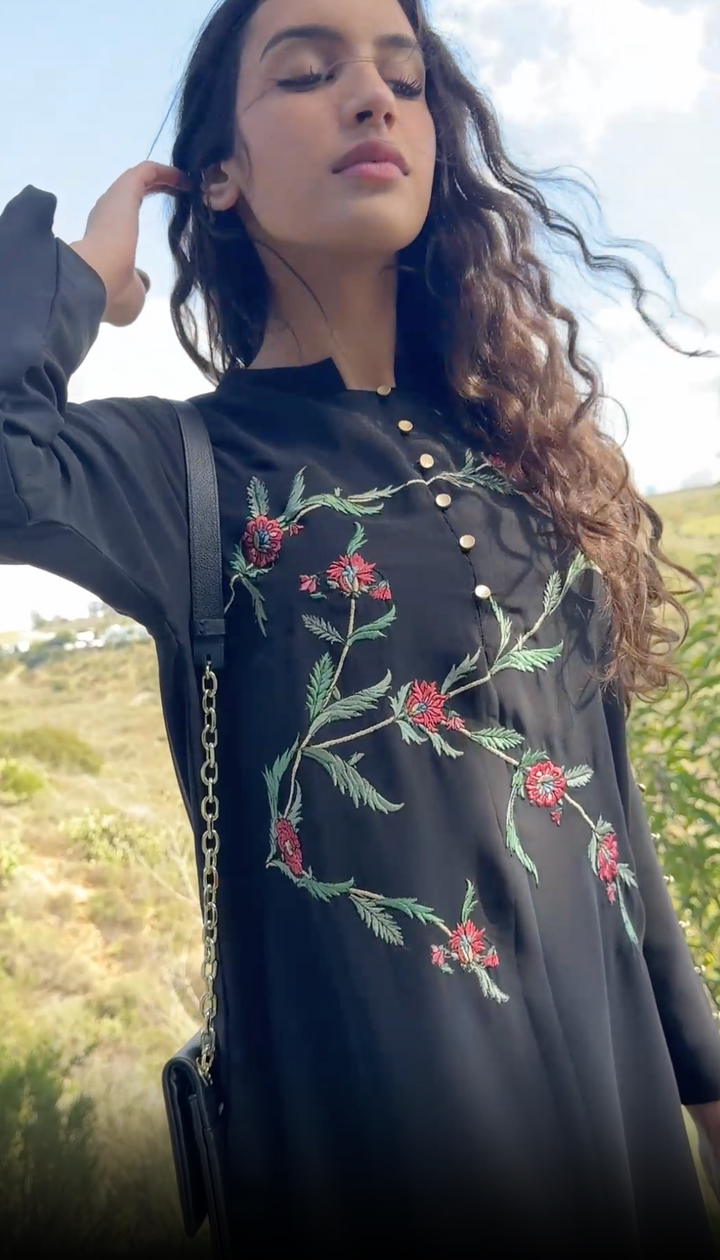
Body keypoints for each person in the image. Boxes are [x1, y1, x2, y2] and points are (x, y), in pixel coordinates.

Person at [1, 0, 719, 1251]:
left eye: (402, 75)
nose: (373, 96)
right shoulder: (188, 470)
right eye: (308, 72)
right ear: (216, 175)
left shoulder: (527, 472)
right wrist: (73, 279)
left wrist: (705, 1090)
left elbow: (607, 825)